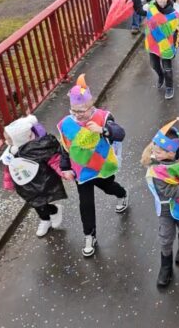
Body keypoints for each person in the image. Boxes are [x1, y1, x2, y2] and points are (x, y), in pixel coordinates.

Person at [57, 75, 128, 257]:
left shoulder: (103, 117)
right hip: (81, 171)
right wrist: (65, 168)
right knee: (85, 203)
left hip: (102, 167)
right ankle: (89, 235)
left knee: (109, 187)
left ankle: (122, 194)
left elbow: (120, 133)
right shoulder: (66, 124)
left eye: (82, 110)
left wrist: (104, 130)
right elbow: (65, 148)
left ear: (91, 105)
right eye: (74, 110)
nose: (78, 114)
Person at [141, 118, 179, 287]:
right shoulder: (157, 171)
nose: (153, 154)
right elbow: (169, 191)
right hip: (166, 207)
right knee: (165, 236)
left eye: (158, 152)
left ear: (172, 153)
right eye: (154, 150)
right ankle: (166, 265)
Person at [1, 115, 66, 237]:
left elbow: (54, 159)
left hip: (43, 179)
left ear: (19, 139)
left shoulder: (39, 146)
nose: (6, 143)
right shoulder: (12, 151)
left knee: (42, 201)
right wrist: (9, 183)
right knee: (35, 202)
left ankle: (54, 210)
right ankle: (45, 219)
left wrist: (64, 171)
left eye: (9, 140)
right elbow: (9, 168)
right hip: (26, 182)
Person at [133, 0, 179, 99]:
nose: (160, 0)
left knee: (167, 69)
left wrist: (175, 47)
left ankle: (169, 87)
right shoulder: (151, 7)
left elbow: (176, 31)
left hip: (166, 46)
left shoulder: (173, 14)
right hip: (153, 43)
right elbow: (139, 10)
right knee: (154, 65)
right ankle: (161, 76)